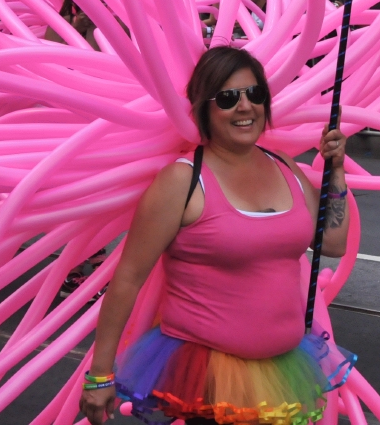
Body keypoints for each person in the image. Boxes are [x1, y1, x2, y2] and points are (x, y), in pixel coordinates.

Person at [79, 46, 353, 425]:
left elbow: (333, 244)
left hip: (284, 369)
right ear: (203, 109)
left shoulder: (284, 166)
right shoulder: (181, 181)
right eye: (227, 98)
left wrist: (335, 171)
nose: (245, 107)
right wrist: (99, 376)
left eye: (255, 94)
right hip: (210, 377)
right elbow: (127, 278)